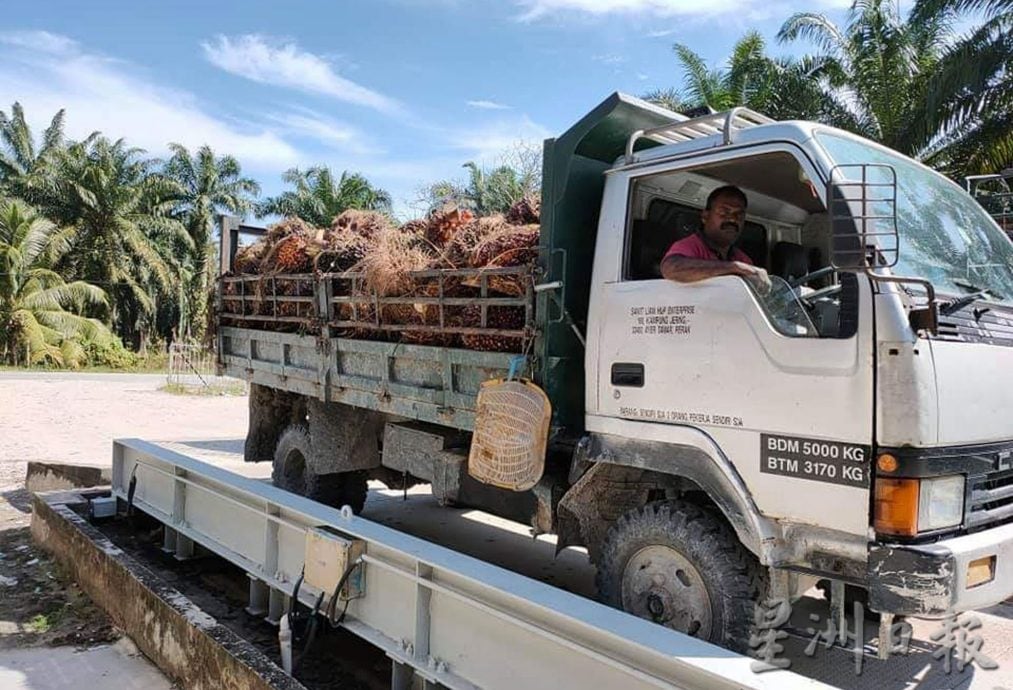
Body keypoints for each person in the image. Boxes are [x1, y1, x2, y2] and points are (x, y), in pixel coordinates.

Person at [660, 185, 771, 292]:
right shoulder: (690, 245)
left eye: (739, 215)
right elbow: (671, 269)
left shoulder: (743, 259)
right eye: (724, 212)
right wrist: (732, 267)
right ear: (705, 216)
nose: (732, 219)